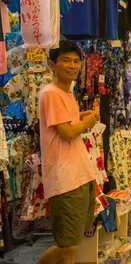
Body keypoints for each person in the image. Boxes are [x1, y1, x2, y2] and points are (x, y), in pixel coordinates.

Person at [37, 40, 99, 264]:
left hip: (80, 174)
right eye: (66, 60)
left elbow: (64, 124)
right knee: (67, 246)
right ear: (53, 65)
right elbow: (67, 133)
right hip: (65, 179)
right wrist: (88, 122)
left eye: (76, 61)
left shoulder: (66, 93)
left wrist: (80, 116)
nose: (72, 65)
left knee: (72, 244)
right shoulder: (51, 93)